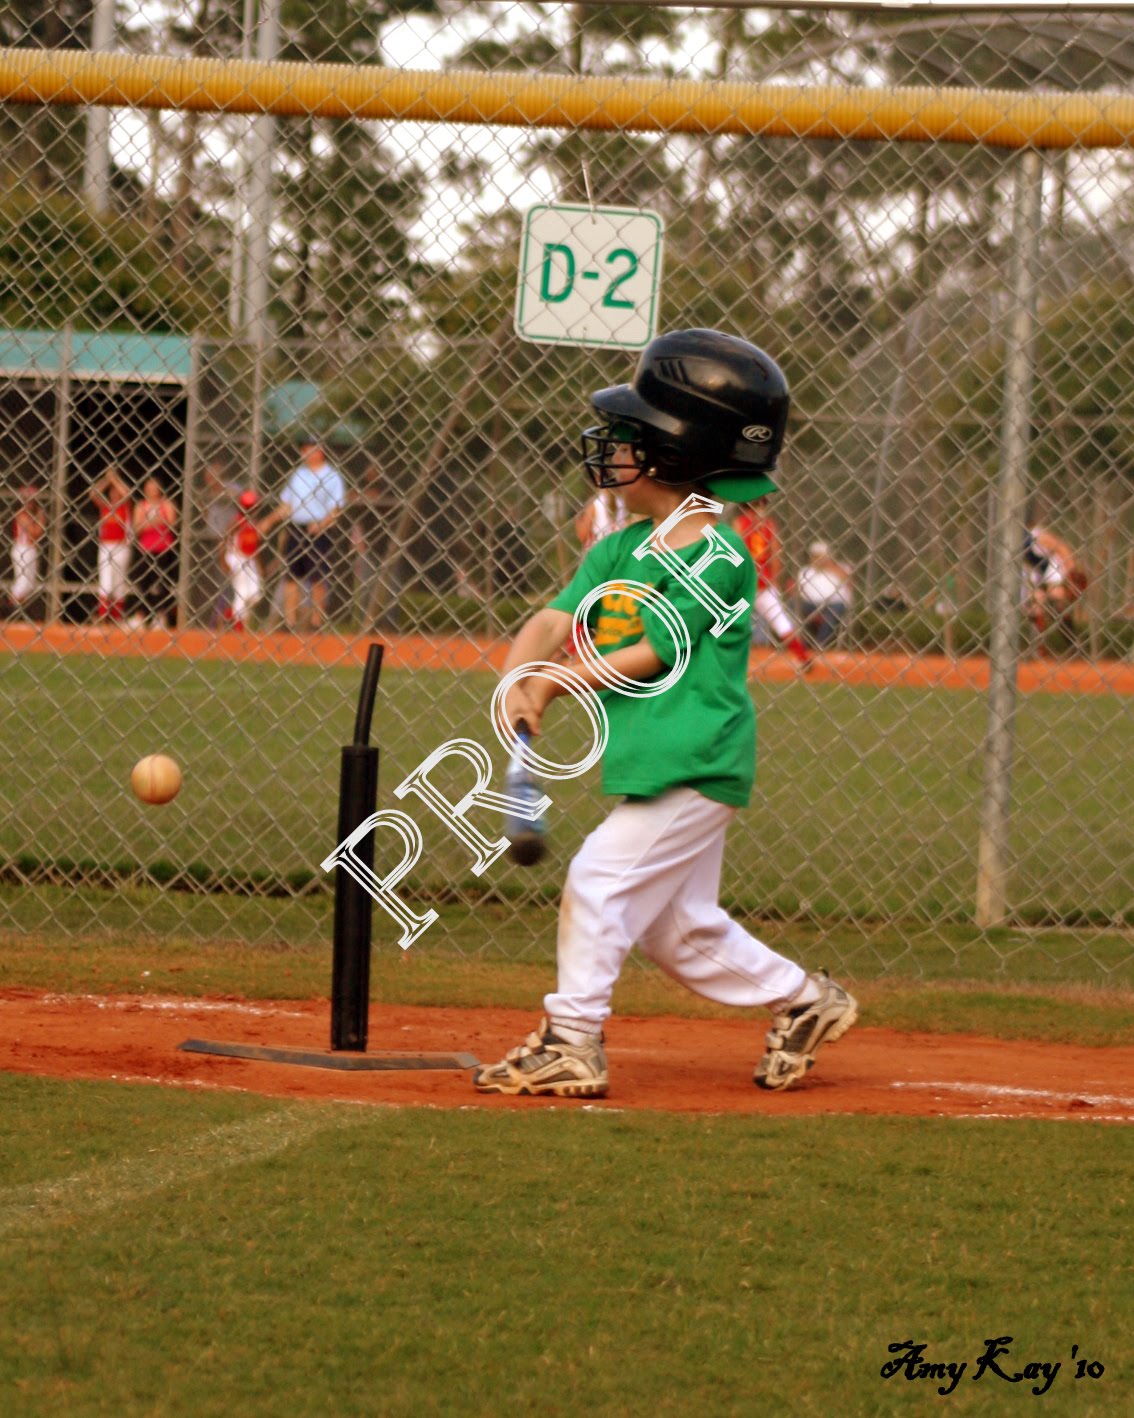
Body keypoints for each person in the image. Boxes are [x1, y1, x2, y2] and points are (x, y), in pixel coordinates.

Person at [473, 328, 858, 1099]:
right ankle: (807, 1001)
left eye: (630, 436)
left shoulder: (720, 556)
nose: (612, 448)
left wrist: (560, 683)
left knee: (598, 878)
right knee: (680, 931)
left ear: (677, 454)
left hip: (698, 758)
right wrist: (521, 672)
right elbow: (558, 617)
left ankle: (572, 1040)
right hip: (657, 759)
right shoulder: (625, 547)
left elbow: (659, 647)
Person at [730, 497, 811, 668]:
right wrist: (774, 580)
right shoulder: (768, 525)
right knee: (780, 621)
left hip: (744, 583)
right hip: (763, 583)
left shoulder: (739, 523)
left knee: (730, 623)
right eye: (760, 504)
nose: (763, 508)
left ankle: (726, 662)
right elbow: (776, 556)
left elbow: (734, 553)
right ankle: (802, 658)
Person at [279, 435, 345, 632]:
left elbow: (335, 510)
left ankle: (316, 622)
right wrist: (268, 521)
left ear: (321, 451)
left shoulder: (331, 476)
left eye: (312, 448)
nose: (307, 452)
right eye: (305, 448)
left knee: (317, 577)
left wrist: (321, 524)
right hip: (297, 527)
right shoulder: (298, 475)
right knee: (291, 576)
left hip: (318, 531)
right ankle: (290, 621)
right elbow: (286, 505)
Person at [222, 489, 291, 631]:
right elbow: (224, 542)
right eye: (250, 507)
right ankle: (237, 625)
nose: (253, 509)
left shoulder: (253, 523)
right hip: (237, 558)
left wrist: (260, 568)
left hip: (249, 560)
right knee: (242, 591)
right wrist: (224, 559)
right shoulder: (237, 522)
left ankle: (230, 615)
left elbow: (254, 550)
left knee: (255, 593)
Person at [1023, 523, 1087, 648]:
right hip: (1037, 570)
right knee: (1034, 603)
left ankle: (1072, 642)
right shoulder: (1015, 543)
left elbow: (1062, 548)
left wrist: (1071, 571)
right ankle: (1036, 645)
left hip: (1053, 566)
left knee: (1056, 599)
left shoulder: (1035, 536)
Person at [131, 476, 179, 629]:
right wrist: (155, 521)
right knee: (144, 584)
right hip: (146, 548)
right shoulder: (141, 505)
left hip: (164, 548)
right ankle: (142, 616)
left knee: (162, 584)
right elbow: (136, 528)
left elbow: (172, 524)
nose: (152, 491)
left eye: (154, 487)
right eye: (149, 488)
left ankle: (160, 616)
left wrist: (150, 522)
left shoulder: (167, 504)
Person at [89, 466, 131, 623]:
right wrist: (107, 480)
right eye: (112, 492)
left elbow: (126, 493)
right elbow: (93, 494)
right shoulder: (106, 506)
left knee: (119, 583)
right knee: (105, 581)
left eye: (116, 491)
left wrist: (114, 478)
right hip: (106, 546)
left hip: (121, 546)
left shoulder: (124, 506)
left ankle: (117, 618)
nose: (115, 494)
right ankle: (103, 617)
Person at [798, 541, 853, 648]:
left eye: (821, 556)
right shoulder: (805, 570)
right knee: (793, 606)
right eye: (815, 556)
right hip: (810, 604)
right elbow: (800, 592)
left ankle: (820, 644)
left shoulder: (841, 568)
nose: (818, 559)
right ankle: (801, 644)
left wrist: (830, 567)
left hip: (834, 604)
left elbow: (849, 582)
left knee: (832, 613)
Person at [9, 485, 44, 617]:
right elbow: (36, 533)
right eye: (28, 500)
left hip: (30, 550)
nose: (30, 503)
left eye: (32, 501)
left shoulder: (31, 516)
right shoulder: (22, 515)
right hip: (23, 550)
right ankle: (10, 612)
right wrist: (41, 519)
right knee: (22, 583)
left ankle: (19, 613)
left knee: (30, 584)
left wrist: (39, 519)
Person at [574, 487, 629, 551]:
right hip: (617, 548)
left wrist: (578, 521)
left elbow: (583, 535)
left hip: (599, 551)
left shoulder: (594, 505)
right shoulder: (623, 503)